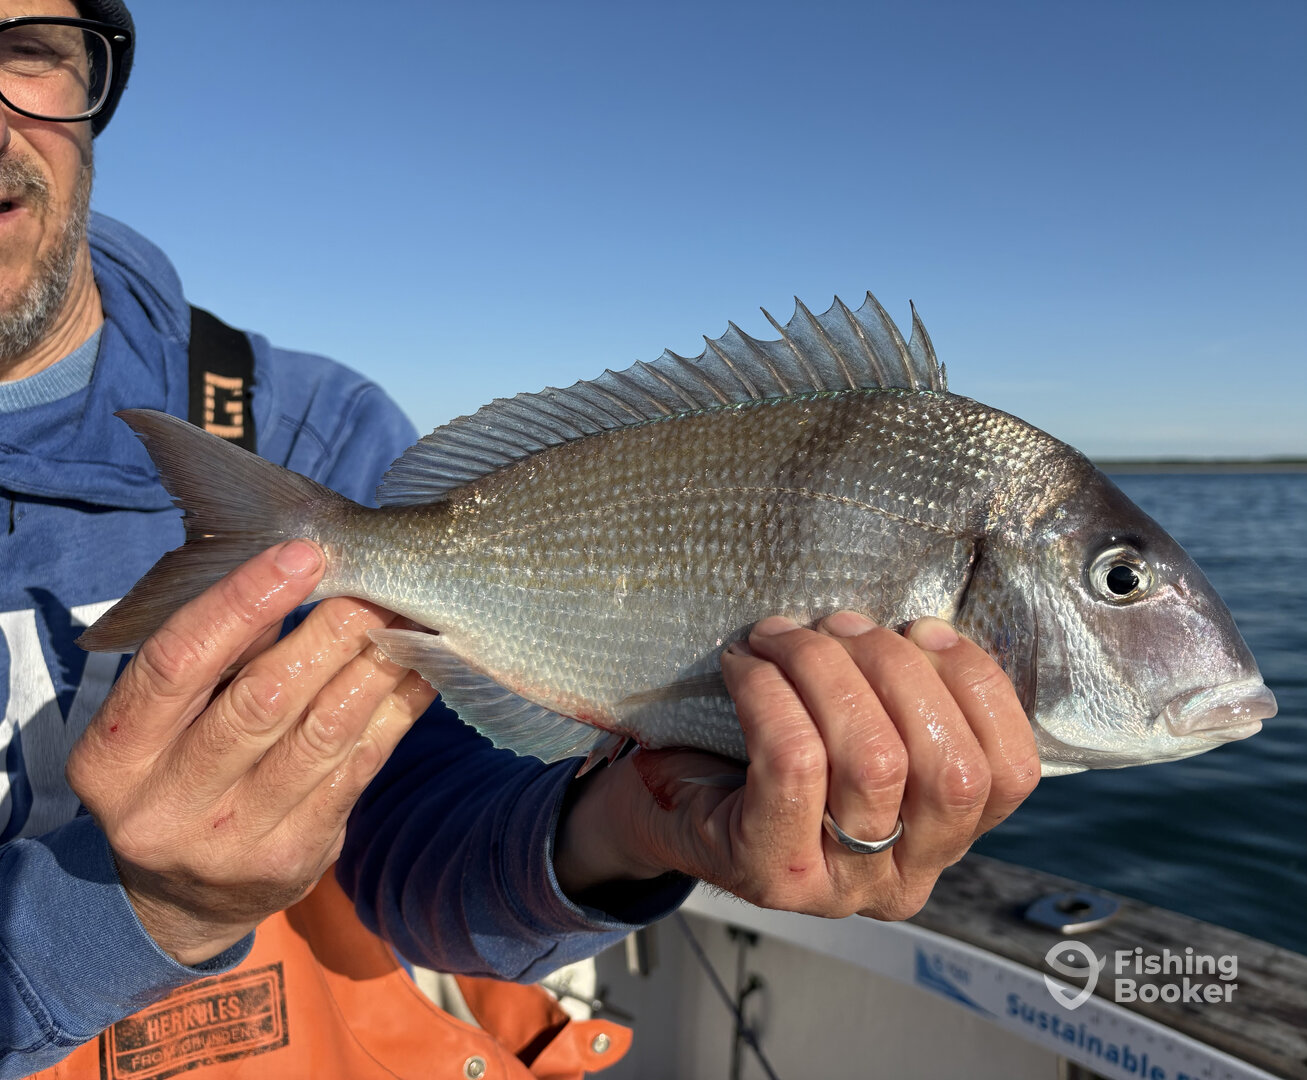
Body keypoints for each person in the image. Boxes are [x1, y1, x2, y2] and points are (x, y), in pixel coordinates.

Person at [0, 2, 1041, 1076]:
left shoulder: (308, 428)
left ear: (94, 83)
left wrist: (631, 827)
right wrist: (133, 917)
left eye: (23, 51)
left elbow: (413, 833)